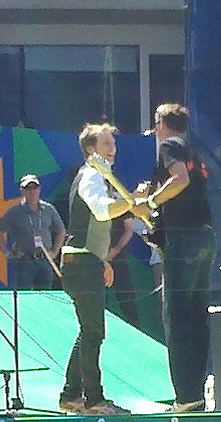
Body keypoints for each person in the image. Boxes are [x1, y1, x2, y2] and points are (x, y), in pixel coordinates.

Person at [58, 123, 144, 415]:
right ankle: (93, 400)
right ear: (91, 149)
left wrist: (103, 260)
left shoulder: (98, 176)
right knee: (93, 332)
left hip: (87, 261)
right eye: (107, 143)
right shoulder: (92, 175)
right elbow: (102, 210)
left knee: (89, 331)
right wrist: (132, 203)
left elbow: (94, 224)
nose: (113, 148)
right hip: (81, 263)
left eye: (113, 143)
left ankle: (71, 396)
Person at [141, 103, 215, 412]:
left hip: (182, 241)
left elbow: (180, 180)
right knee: (197, 318)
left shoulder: (169, 146)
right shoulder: (192, 151)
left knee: (176, 318)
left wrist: (152, 201)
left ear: (161, 123)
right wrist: (153, 190)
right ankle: (196, 393)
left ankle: (184, 398)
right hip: (204, 237)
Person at [0, 174, 66, 289]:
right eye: (28, 188)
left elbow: (61, 231)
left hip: (44, 260)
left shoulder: (48, 209)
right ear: (22, 191)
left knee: (45, 296)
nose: (32, 192)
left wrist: (54, 252)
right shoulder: (15, 211)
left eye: (35, 187)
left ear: (39, 189)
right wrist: (7, 252)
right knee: (23, 296)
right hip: (24, 261)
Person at [106, 214, 140, 327]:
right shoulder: (96, 202)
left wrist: (115, 250)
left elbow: (129, 230)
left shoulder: (122, 204)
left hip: (118, 259)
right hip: (98, 257)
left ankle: (134, 328)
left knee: (126, 297)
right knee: (99, 297)